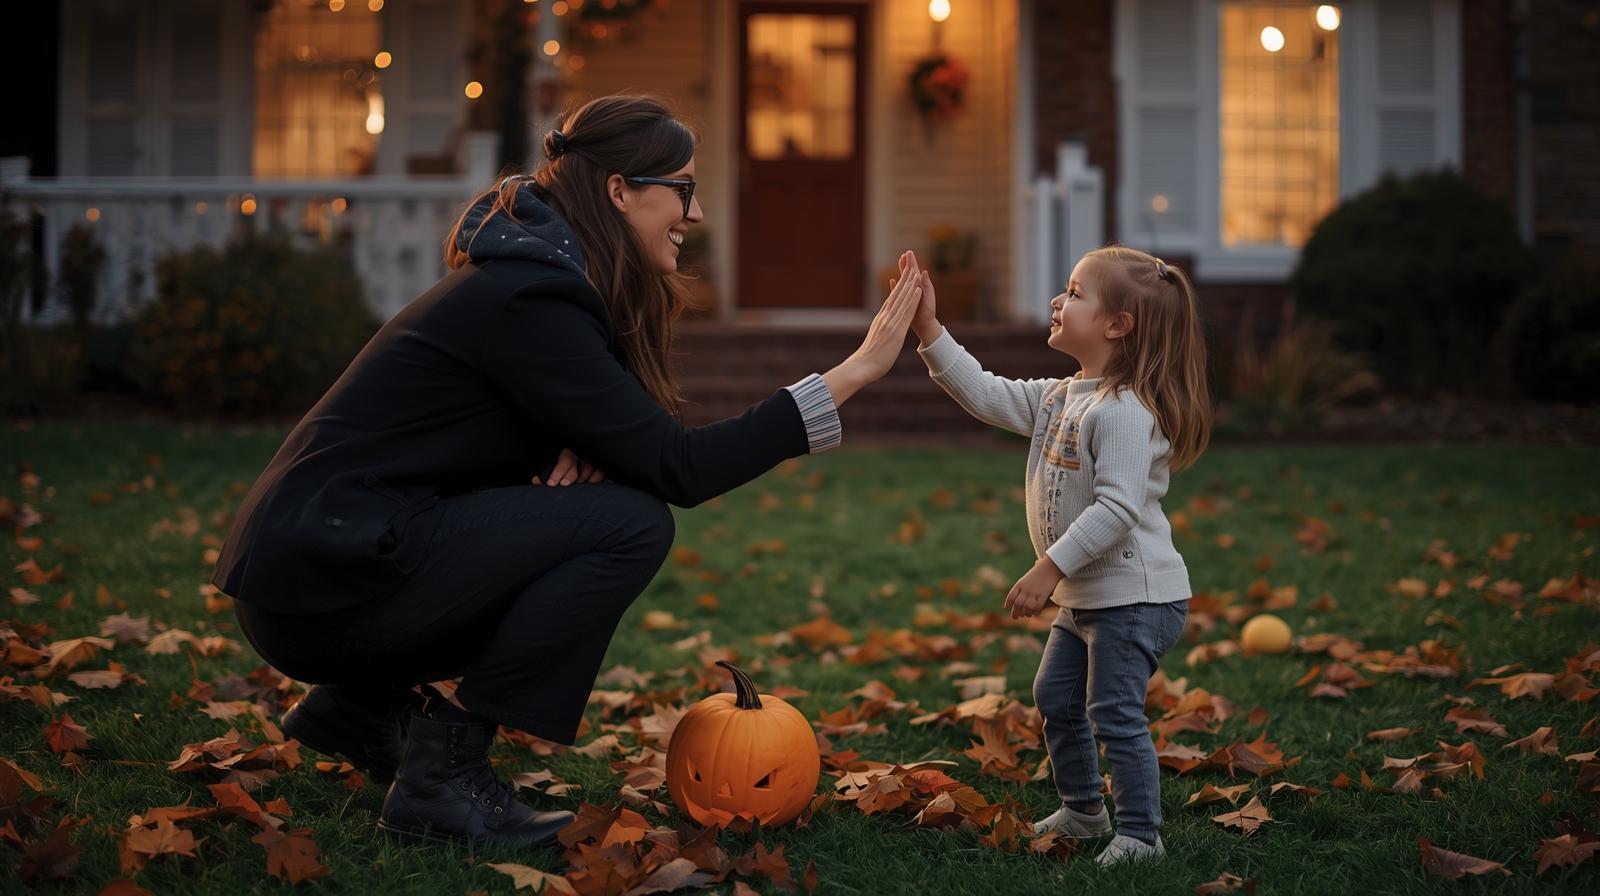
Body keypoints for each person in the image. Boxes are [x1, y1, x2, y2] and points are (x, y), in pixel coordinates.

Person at [211, 95, 923, 849]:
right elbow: (678, 468)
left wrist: (587, 445)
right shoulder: (532, 296)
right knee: (630, 526)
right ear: (620, 190)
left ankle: (359, 705)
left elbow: (625, 446)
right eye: (683, 189)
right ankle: (442, 777)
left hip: (319, 576)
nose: (699, 212)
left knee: (609, 506)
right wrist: (853, 372)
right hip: (320, 585)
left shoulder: (541, 283)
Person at [907, 246, 1210, 864]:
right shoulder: (1063, 397)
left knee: (1113, 711)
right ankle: (1082, 810)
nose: (1058, 300)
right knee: (1055, 699)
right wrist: (930, 331)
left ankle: (1140, 836)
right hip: (1090, 595)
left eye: (1075, 293)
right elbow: (988, 395)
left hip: (1135, 597)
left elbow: (1119, 507)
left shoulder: (1124, 412)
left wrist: (1049, 569)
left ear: (1117, 325)